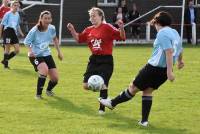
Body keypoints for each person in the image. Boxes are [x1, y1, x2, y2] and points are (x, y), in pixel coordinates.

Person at [99, 11, 184, 126]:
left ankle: (112, 103)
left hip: (153, 68)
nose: (154, 26)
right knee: (147, 91)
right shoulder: (174, 32)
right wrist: (180, 61)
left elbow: (168, 51)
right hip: (162, 72)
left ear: (158, 22)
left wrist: (170, 72)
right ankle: (144, 121)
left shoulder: (162, 33)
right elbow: (180, 48)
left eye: (154, 23)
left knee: (133, 87)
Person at [67, 7, 126, 114]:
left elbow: (122, 37)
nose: (92, 18)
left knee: (103, 84)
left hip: (106, 60)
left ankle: (102, 109)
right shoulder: (88, 29)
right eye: (91, 16)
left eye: (94, 15)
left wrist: (121, 28)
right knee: (85, 85)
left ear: (100, 16)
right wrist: (72, 30)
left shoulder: (107, 27)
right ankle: (100, 90)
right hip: (94, 60)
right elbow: (78, 39)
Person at [24, 10, 63, 99]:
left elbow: (55, 39)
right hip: (35, 55)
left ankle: (49, 90)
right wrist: (30, 51)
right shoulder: (34, 30)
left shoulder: (52, 28)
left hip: (47, 54)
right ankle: (38, 95)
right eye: (45, 18)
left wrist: (59, 52)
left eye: (49, 18)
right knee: (44, 70)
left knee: (55, 79)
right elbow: (26, 42)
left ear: (51, 19)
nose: (47, 20)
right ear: (41, 19)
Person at [0, 0, 24, 69]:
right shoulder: (7, 14)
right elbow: (2, 24)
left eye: (17, 5)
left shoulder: (17, 14)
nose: (16, 7)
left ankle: (4, 60)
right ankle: (6, 65)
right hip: (7, 31)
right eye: (15, 5)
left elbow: (17, 25)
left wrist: (21, 32)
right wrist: (0, 34)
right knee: (7, 49)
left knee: (17, 50)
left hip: (13, 32)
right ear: (11, 6)